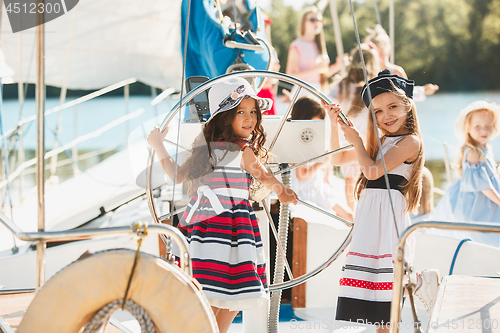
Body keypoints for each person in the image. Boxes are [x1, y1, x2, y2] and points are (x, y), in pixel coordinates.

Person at [147, 77, 298, 333]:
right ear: (225, 117)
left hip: (203, 229)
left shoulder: (203, 150)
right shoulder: (242, 149)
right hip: (232, 230)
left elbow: (176, 175)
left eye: (253, 112)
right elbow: (261, 174)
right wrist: (283, 193)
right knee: (234, 295)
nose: (250, 118)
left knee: (208, 293)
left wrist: (158, 145)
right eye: (241, 112)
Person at [326, 69, 424, 330]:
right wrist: (335, 125)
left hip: (389, 228)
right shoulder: (379, 143)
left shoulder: (410, 142)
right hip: (371, 227)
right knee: (373, 310)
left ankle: (419, 282)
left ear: (407, 106)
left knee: (387, 308)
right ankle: (416, 283)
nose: (386, 115)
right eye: (378, 111)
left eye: (392, 106)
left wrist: (358, 142)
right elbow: (336, 159)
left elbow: (371, 171)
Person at [432, 100, 500, 247]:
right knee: (479, 234)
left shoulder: (485, 147)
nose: (484, 131)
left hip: (486, 200)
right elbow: (482, 185)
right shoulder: (473, 152)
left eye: (488, 126)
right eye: (478, 127)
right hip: (474, 202)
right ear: (467, 128)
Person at [327, 43, 380, 212]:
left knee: (350, 180)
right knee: (365, 178)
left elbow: (327, 103)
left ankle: (353, 211)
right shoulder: (373, 87)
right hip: (367, 139)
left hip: (344, 140)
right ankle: (362, 211)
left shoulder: (341, 85)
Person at [291, 97, 353, 222]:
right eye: (316, 121)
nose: (319, 125)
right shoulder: (298, 143)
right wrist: (322, 163)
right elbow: (301, 175)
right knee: (349, 218)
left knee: (349, 216)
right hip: (308, 189)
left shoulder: (310, 139)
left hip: (318, 185)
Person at [365, 24, 439, 102]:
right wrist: (423, 90)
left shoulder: (396, 72)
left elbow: (407, 95)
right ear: (389, 51)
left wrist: (423, 90)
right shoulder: (368, 73)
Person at [286, 6, 344, 94]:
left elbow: (322, 74)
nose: (317, 23)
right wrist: (315, 69)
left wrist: (338, 66)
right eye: (313, 20)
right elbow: (290, 75)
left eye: (320, 20)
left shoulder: (320, 45)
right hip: (302, 91)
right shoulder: (297, 45)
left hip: (319, 92)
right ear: (303, 22)